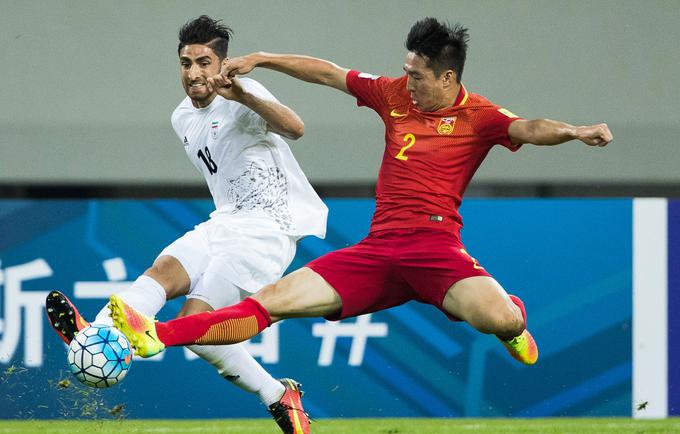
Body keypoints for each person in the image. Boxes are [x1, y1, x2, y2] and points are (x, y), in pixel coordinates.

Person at [110, 18, 612, 371]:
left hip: (436, 250)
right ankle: (153, 336)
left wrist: (574, 131)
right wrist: (264, 59)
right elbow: (328, 72)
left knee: (497, 318)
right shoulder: (393, 95)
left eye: (416, 75)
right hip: (377, 251)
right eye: (406, 71)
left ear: (448, 76)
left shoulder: (478, 116)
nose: (406, 81)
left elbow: (528, 127)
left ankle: (514, 321)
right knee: (272, 300)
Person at [45, 15, 328, 434]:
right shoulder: (182, 117)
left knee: (197, 328)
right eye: (185, 62)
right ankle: (99, 332)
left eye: (203, 62)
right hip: (225, 221)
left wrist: (245, 95)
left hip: (266, 230)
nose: (194, 72)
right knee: (162, 272)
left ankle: (275, 393)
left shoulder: (241, 96)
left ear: (222, 64)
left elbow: (296, 128)